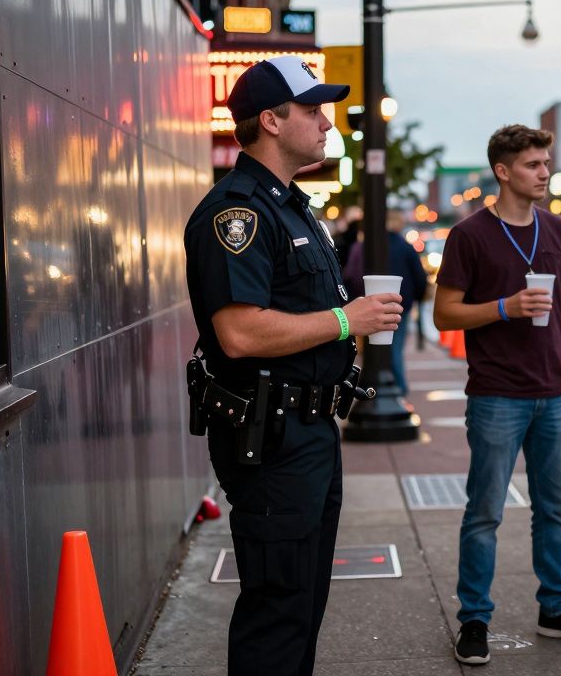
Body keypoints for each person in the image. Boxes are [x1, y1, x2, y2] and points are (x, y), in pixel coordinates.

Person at [183, 56, 404, 676]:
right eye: (311, 110)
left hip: (306, 432)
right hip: (271, 438)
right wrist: (346, 322)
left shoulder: (293, 209)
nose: (326, 123)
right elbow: (238, 332)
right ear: (271, 121)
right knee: (278, 608)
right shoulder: (239, 213)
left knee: (303, 602)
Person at [434, 124, 561, 666]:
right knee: (485, 511)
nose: (545, 173)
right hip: (497, 395)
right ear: (504, 171)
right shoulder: (470, 235)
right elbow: (445, 312)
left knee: (553, 509)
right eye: (534, 165)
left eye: (546, 163)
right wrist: (505, 308)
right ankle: (473, 619)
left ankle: (555, 609)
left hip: (556, 391)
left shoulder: (558, 229)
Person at [343, 208, 429, 393]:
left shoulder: (365, 245)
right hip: (400, 306)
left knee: (370, 347)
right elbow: (419, 278)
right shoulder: (406, 247)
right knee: (394, 348)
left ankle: (374, 387)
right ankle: (399, 389)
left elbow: (351, 275)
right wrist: (416, 298)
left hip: (366, 304)